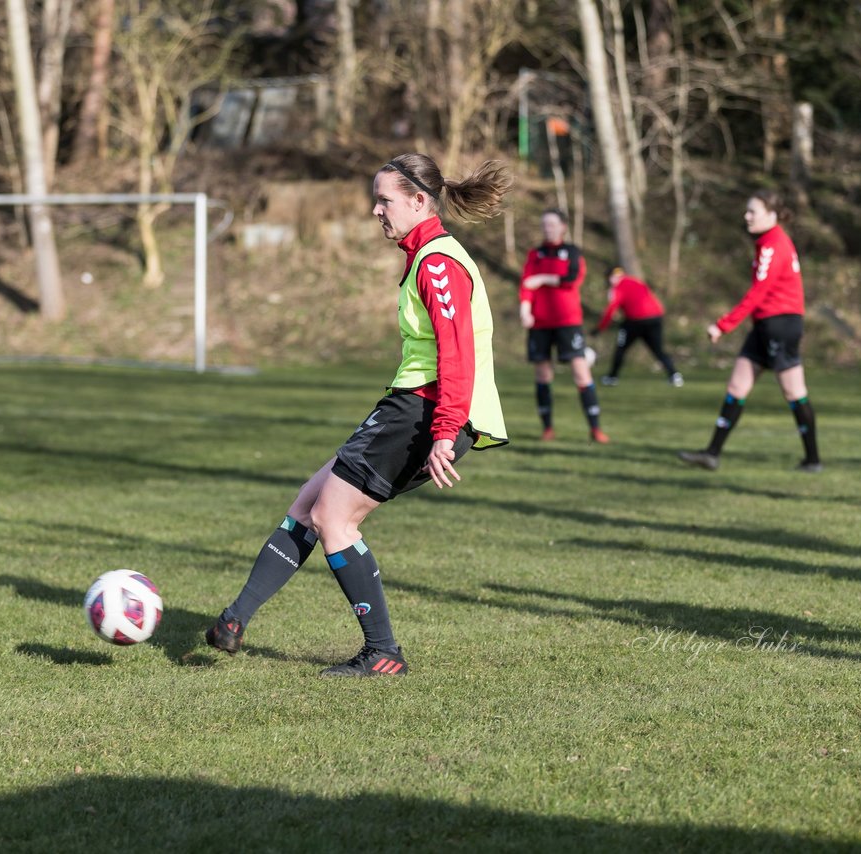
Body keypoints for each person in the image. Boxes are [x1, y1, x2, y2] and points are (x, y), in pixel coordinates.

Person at [204, 153, 511, 677]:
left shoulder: (438, 262)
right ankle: (233, 621)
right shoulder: (426, 256)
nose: (376, 210)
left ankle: (383, 651)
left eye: (385, 200)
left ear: (419, 200)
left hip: (426, 410)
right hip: (409, 407)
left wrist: (443, 432)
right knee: (307, 503)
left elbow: (455, 350)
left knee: (333, 518)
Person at [678, 189, 821, 472]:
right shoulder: (768, 242)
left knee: (794, 392)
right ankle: (712, 453)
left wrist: (724, 325)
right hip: (765, 324)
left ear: (772, 215)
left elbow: (758, 293)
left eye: (752, 211)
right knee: (737, 386)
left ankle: (813, 459)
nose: (747, 216)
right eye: (747, 211)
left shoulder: (773, 245)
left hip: (780, 324)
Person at [519, 209, 609, 443]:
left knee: (580, 371)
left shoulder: (572, 252)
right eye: (544, 224)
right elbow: (526, 285)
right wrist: (525, 309)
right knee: (543, 374)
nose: (547, 228)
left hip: (568, 322)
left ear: (563, 227)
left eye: (552, 224)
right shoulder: (535, 254)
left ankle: (595, 428)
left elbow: (572, 279)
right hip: (540, 323)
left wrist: (543, 279)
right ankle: (547, 428)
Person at [594, 267, 682, 387]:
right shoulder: (635, 281)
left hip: (635, 321)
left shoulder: (617, 288)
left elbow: (611, 309)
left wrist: (600, 328)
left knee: (621, 349)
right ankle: (674, 375)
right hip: (655, 318)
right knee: (658, 350)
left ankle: (612, 377)